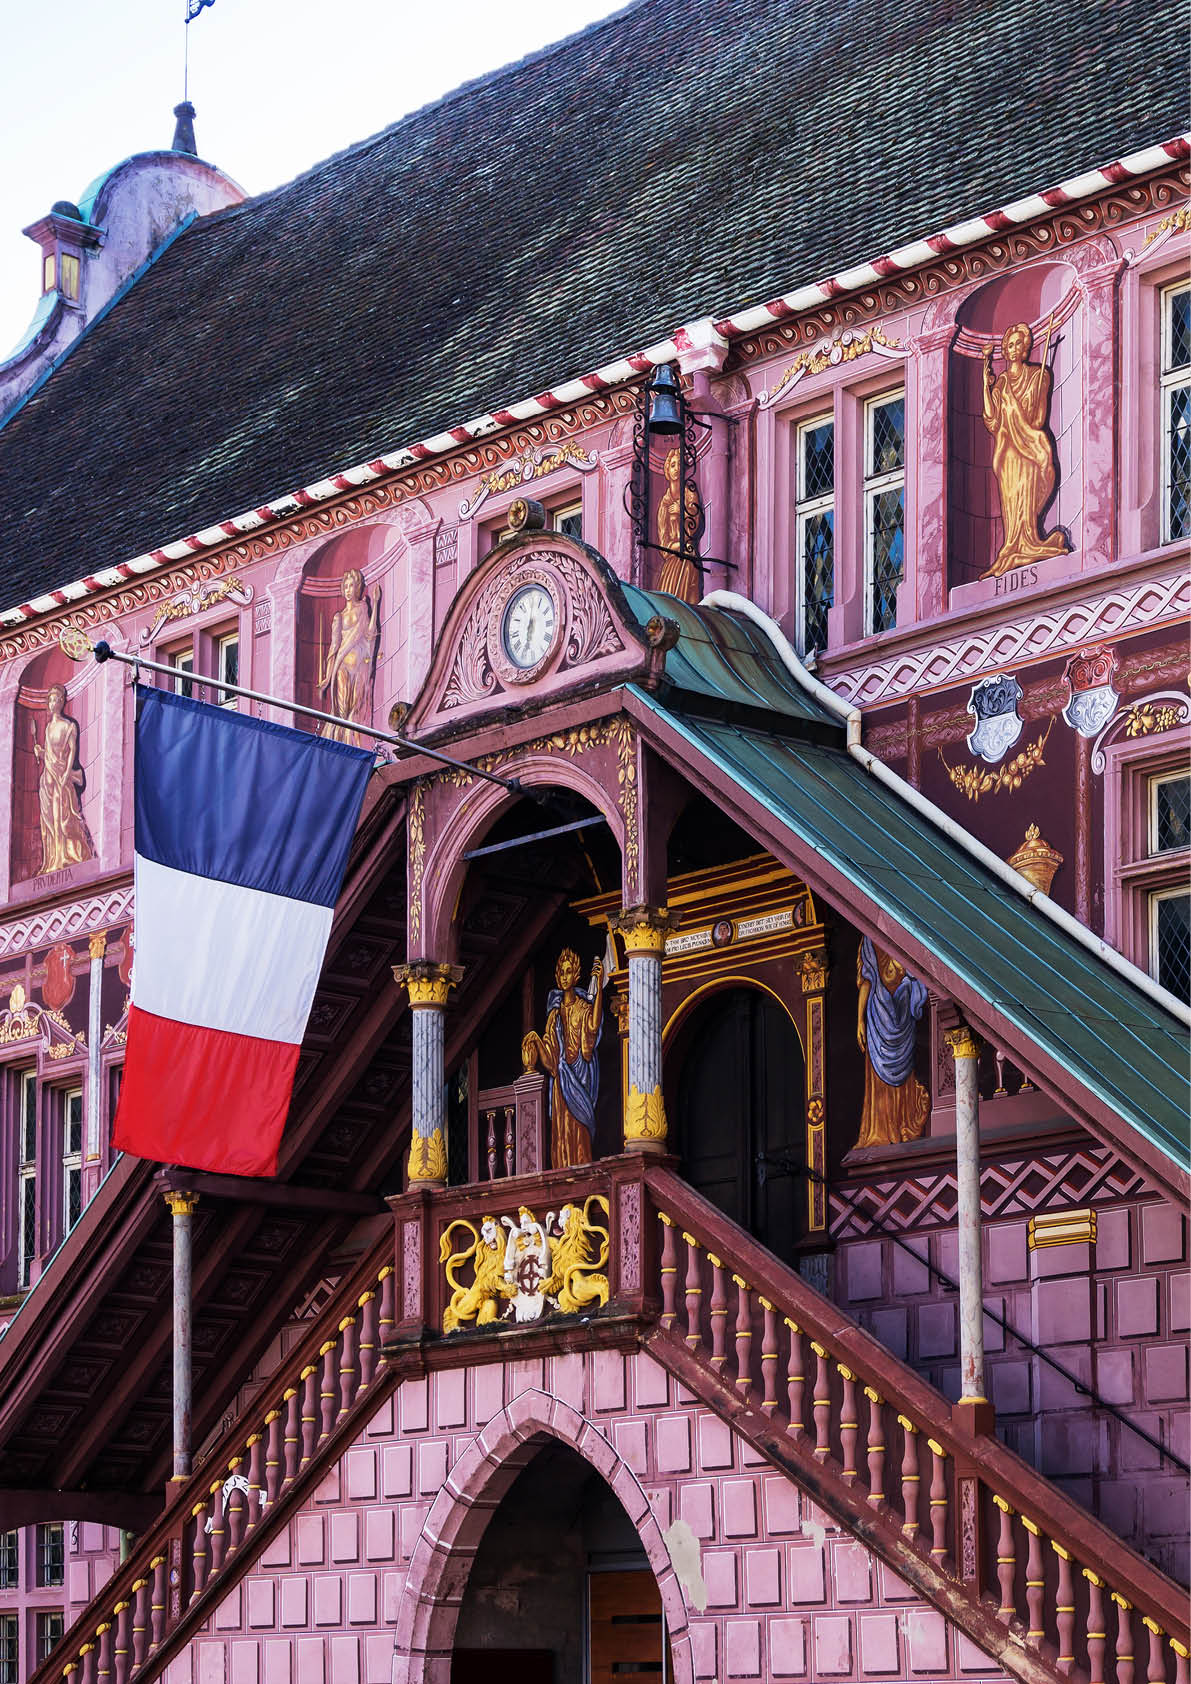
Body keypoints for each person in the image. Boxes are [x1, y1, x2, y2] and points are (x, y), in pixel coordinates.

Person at [980, 321, 1069, 578]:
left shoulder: (1038, 376)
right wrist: (985, 385)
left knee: (1026, 500)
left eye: (1019, 344)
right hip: (1008, 453)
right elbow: (992, 420)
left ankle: (1029, 541)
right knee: (1010, 501)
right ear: (1005, 351)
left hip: (1028, 449)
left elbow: (1038, 420)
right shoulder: (1001, 384)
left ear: (1026, 347)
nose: (1014, 348)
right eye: (1010, 345)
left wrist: (1031, 400)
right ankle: (1013, 545)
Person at [521, 948, 604, 1168]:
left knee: (580, 1133)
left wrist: (599, 991)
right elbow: (551, 1061)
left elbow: (592, 1031)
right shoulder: (555, 1015)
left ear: (576, 975)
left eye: (569, 972)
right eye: (561, 972)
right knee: (561, 1134)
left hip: (579, 1080)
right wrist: (537, 1040)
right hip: (561, 1083)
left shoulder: (584, 1007)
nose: (565, 976)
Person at [854, 935, 929, 1148]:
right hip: (878, 1016)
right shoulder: (869, 940)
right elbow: (867, 980)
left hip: (903, 1011)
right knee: (879, 1079)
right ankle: (881, 1131)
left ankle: (903, 1125)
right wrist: (860, 1020)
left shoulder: (904, 930)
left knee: (905, 1073)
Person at [34, 683, 94, 873]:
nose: (53, 703)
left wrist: (67, 774)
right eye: (51, 700)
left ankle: (66, 856)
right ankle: (53, 859)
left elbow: (71, 752)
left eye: (56, 700)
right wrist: (40, 752)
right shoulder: (48, 728)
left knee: (63, 817)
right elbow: (49, 755)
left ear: (62, 702)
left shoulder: (68, 726)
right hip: (48, 778)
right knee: (49, 819)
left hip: (62, 778)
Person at [319, 568, 380, 744]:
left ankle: (354, 742)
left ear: (358, 587)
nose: (347, 590)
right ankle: (341, 743)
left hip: (360, 665)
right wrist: (328, 677)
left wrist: (376, 603)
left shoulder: (363, 608)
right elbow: (334, 647)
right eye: (345, 586)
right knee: (342, 710)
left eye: (351, 586)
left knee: (356, 707)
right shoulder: (339, 617)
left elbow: (370, 633)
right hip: (342, 666)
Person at [655, 448, 702, 602]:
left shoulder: (690, 495)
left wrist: (682, 511)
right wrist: (680, 546)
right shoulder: (664, 504)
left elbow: (695, 524)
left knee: (691, 603)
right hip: (673, 562)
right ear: (668, 469)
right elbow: (664, 546)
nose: (676, 469)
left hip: (688, 556)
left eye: (680, 465)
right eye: (673, 465)